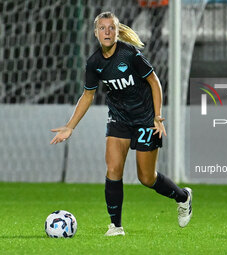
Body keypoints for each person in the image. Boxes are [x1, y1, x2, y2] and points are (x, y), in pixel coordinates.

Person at [50, 11, 192, 236]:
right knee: (113, 169)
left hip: (145, 118)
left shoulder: (130, 55)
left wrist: (157, 116)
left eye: (111, 28)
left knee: (147, 178)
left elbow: (154, 82)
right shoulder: (94, 63)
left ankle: (183, 197)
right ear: (96, 33)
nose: (107, 32)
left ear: (117, 31)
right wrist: (70, 126)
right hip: (119, 118)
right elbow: (88, 95)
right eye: (102, 28)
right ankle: (116, 226)